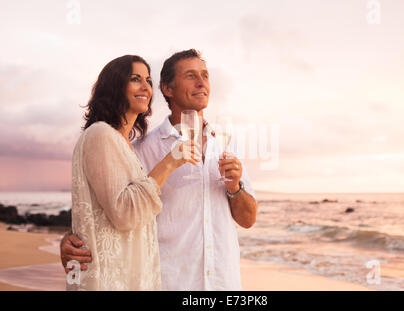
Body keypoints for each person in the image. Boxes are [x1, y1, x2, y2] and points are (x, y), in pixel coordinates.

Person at [61, 49, 258, 290]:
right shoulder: (141, 149)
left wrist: (235, 187)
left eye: (205, 75)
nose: (201, 82)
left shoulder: (227, 144)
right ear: (167, 89)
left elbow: (248, 220)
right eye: (191, 76)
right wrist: (72, 240)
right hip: (168, 282)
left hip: (223, 283)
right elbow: (110, 208)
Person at [68, 55, 199, 290]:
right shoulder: (101, 135)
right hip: (109, 280)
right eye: (135, 79)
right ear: (115, 86)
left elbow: (101, 211)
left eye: (148, 80)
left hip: (130, 276)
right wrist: (169, 162)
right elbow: (124, 213)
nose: (145, 87)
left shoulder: (125, 145)